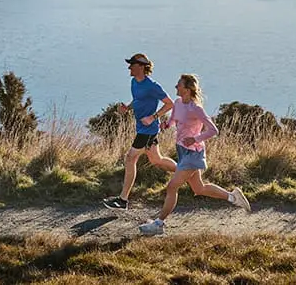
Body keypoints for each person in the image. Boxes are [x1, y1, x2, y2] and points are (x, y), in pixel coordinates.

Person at [138, 73, 251, 236]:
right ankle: (233, 197)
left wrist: (196, 138)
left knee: (172, 187)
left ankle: (159, 223)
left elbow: (213, 130)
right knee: (199, 188)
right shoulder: (177, 103)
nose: (176, 86)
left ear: (187, 89)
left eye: (179, 84)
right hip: (182, 150)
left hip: (193, 153)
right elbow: (174, 120)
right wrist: (166, 124)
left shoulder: (195, 108)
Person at [102, 53, 176, 211]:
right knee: (157, 160)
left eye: (132, 64)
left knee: (130, 158)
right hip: (142, 128)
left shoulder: (152, 86)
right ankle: (185, 172)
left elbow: (170, 104)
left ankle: (123, 200)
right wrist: (127, 108)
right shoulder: (134, 82)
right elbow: (137, 100)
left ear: (142, 67)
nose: (129, 67)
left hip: (149, 130)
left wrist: (153, 116)